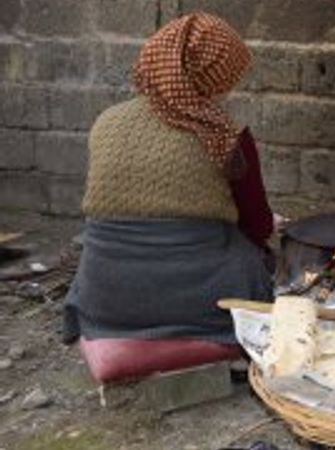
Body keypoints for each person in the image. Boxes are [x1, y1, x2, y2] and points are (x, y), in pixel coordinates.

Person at [62, 12, 274, 381]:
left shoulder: (106, 121)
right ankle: (224, 340)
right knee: (256, 258)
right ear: (214, 77)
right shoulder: (225, 134)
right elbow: (258, 227)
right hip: (203, 300)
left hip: (106, 297)